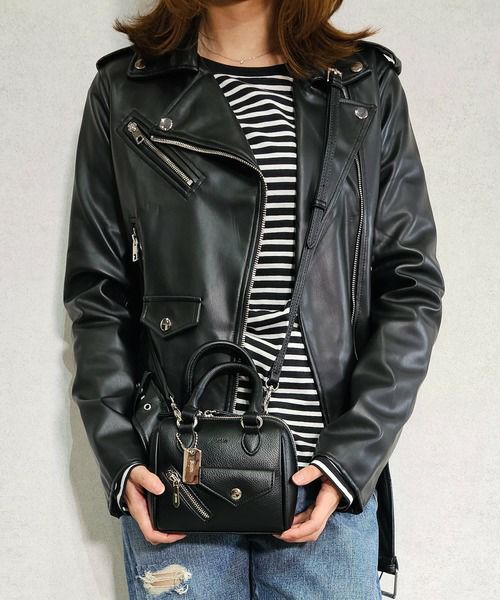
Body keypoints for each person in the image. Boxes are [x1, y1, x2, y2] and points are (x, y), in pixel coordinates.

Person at [62, 1, 445, 598]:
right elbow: (98, 292)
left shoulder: (365, 86)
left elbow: (411, 285)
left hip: (320, 484)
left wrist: (350, 459)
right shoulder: (126, 88)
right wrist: (120, 456)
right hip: (179, 475)